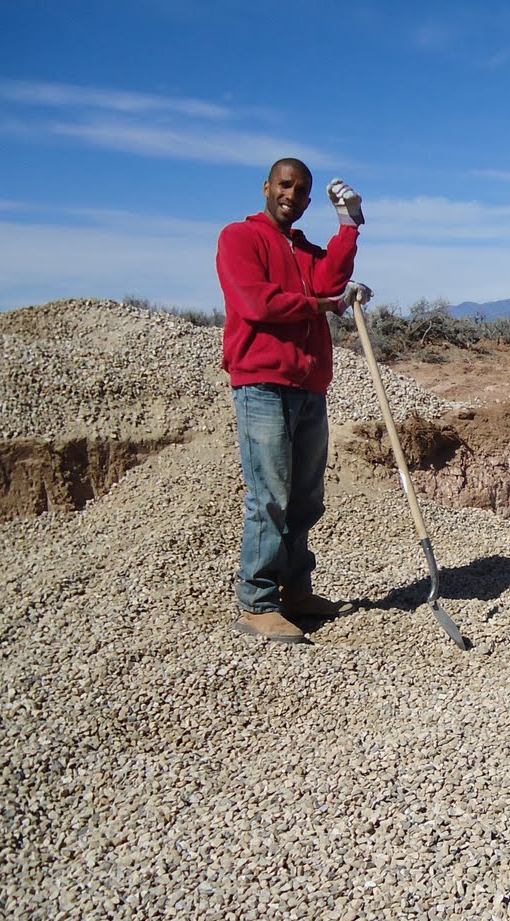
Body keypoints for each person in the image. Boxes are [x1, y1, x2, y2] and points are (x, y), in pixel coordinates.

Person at [216, 158, 366, 643]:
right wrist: (321, 307)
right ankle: (257, 602)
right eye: (286, 185)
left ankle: (295, 589)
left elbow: (328, 281)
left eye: (302, 191)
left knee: (305, 497)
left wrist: (348, 225)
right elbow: (256, 303)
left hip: (308, 386)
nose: (293, 196)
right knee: (270, 496)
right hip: (262, 384)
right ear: (267, 187)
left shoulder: (303, 249)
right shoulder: (239, 239)